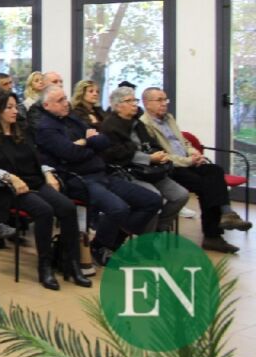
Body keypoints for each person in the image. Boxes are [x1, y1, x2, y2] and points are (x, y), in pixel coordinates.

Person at [33, 85, 161, 266]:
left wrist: (84, 143)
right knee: (119, 209)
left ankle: (107, 243)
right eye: (60, 100)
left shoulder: (72, 118)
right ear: (47, 105)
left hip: (102, 173)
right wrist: (90, 142)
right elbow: (70, 153)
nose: (66, 103)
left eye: (65, 98)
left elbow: (104, 140)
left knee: (152, 201)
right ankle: (102, 246)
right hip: (78, 179)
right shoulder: (46, 128)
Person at [0, 91, 90, 289]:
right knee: (44, 211)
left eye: (15, 106)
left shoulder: (22, 130)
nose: (15, 111)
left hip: (34, 181)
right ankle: (45, 267)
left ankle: (72, 263)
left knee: (67, 207)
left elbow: (37, 159)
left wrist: (48, 173)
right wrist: (10, 177)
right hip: (9, 189)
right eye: (9, 107)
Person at [140, 87, 251, 235]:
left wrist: (195, 153)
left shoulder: (169, 118)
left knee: (215, 170)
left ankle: (227, 213)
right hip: (171, 167)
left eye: (165, 99)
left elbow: (184, 142)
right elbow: (160, 155)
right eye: (159, 100)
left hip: (188, 162)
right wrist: (189, 161)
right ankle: (215, 234)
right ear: (147, 103)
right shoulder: (144, 125)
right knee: (207, 186)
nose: (164, 103)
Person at [98, 87, 192, 238]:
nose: (134, 104)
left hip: (151, 170)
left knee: (181, 195)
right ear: (117, 105)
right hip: (129, 171)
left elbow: (152, 142)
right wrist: (149, 158)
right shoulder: (110, 126)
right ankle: (146, 238)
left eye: (135, 100)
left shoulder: (138, 122)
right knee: (153, 197)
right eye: (129, 101)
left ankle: (158, 229)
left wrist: (160, 154)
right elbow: (117, 154)